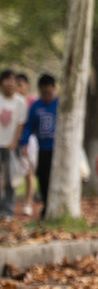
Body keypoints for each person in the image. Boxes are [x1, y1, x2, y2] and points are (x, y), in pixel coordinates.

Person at [20, 74, 59, 220]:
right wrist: (24, 142)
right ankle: (46, 206)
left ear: (54, 89)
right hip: (42, 149)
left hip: (58, 150)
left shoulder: (61, 105)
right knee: (42, 179)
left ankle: (56, 207)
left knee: (56, 179)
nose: (46, 96)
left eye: (49, 93)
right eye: (43, 93)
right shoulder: (36, 106)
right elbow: (29, 126)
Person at [0, 70, 28, 219]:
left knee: (11, 180)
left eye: (13, 81)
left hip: (11, 146)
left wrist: (14, 141)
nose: (10, 83)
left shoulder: (20, 102)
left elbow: (20, 123)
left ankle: (8, 211)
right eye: (7, 80)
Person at [15, 73, 37, 216]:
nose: (18, 87)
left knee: (29, 173)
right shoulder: (11, 101)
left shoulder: (33, 101)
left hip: (29, 141)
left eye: (20, 84)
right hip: (12, 140)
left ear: (26, 85)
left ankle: (28, 202)